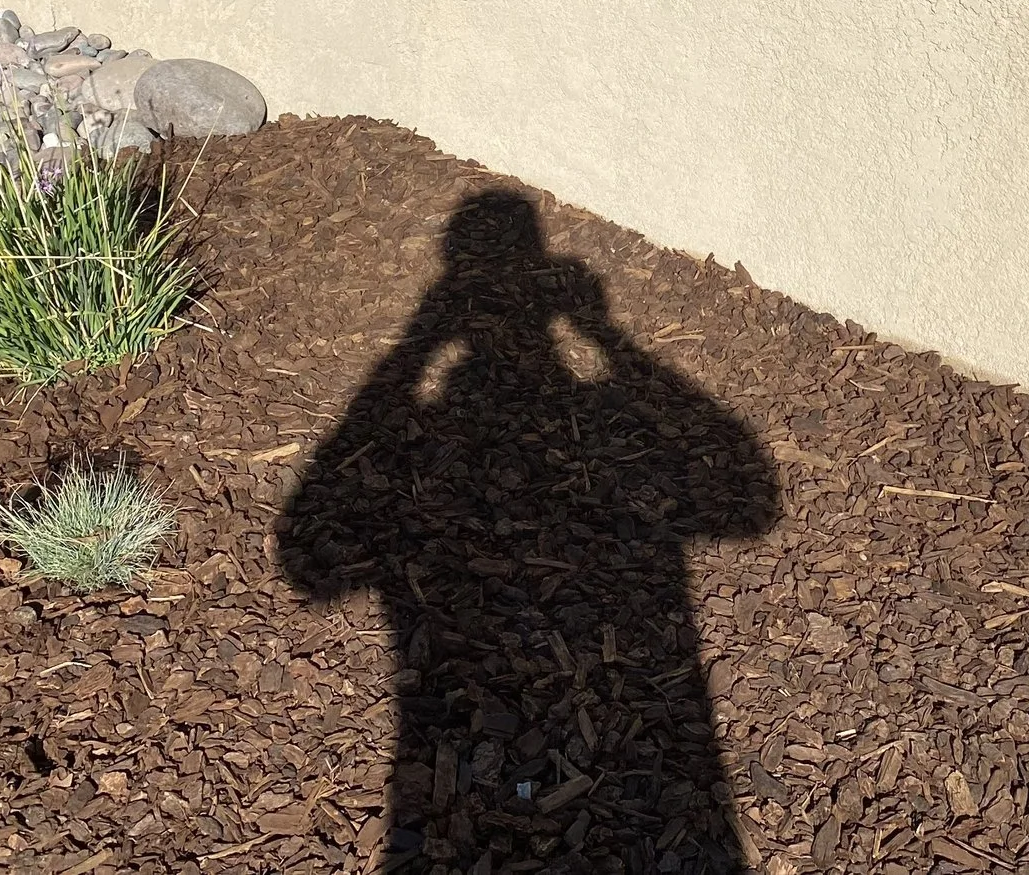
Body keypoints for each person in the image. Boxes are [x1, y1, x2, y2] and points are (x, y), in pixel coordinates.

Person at [280, 190, 779, 874]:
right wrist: (605, 335)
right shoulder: (593, 412)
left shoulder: (441, 432)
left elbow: (309, 551)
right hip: (625, 745)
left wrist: (415, 348)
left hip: (455, 747)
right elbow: (744, 493)